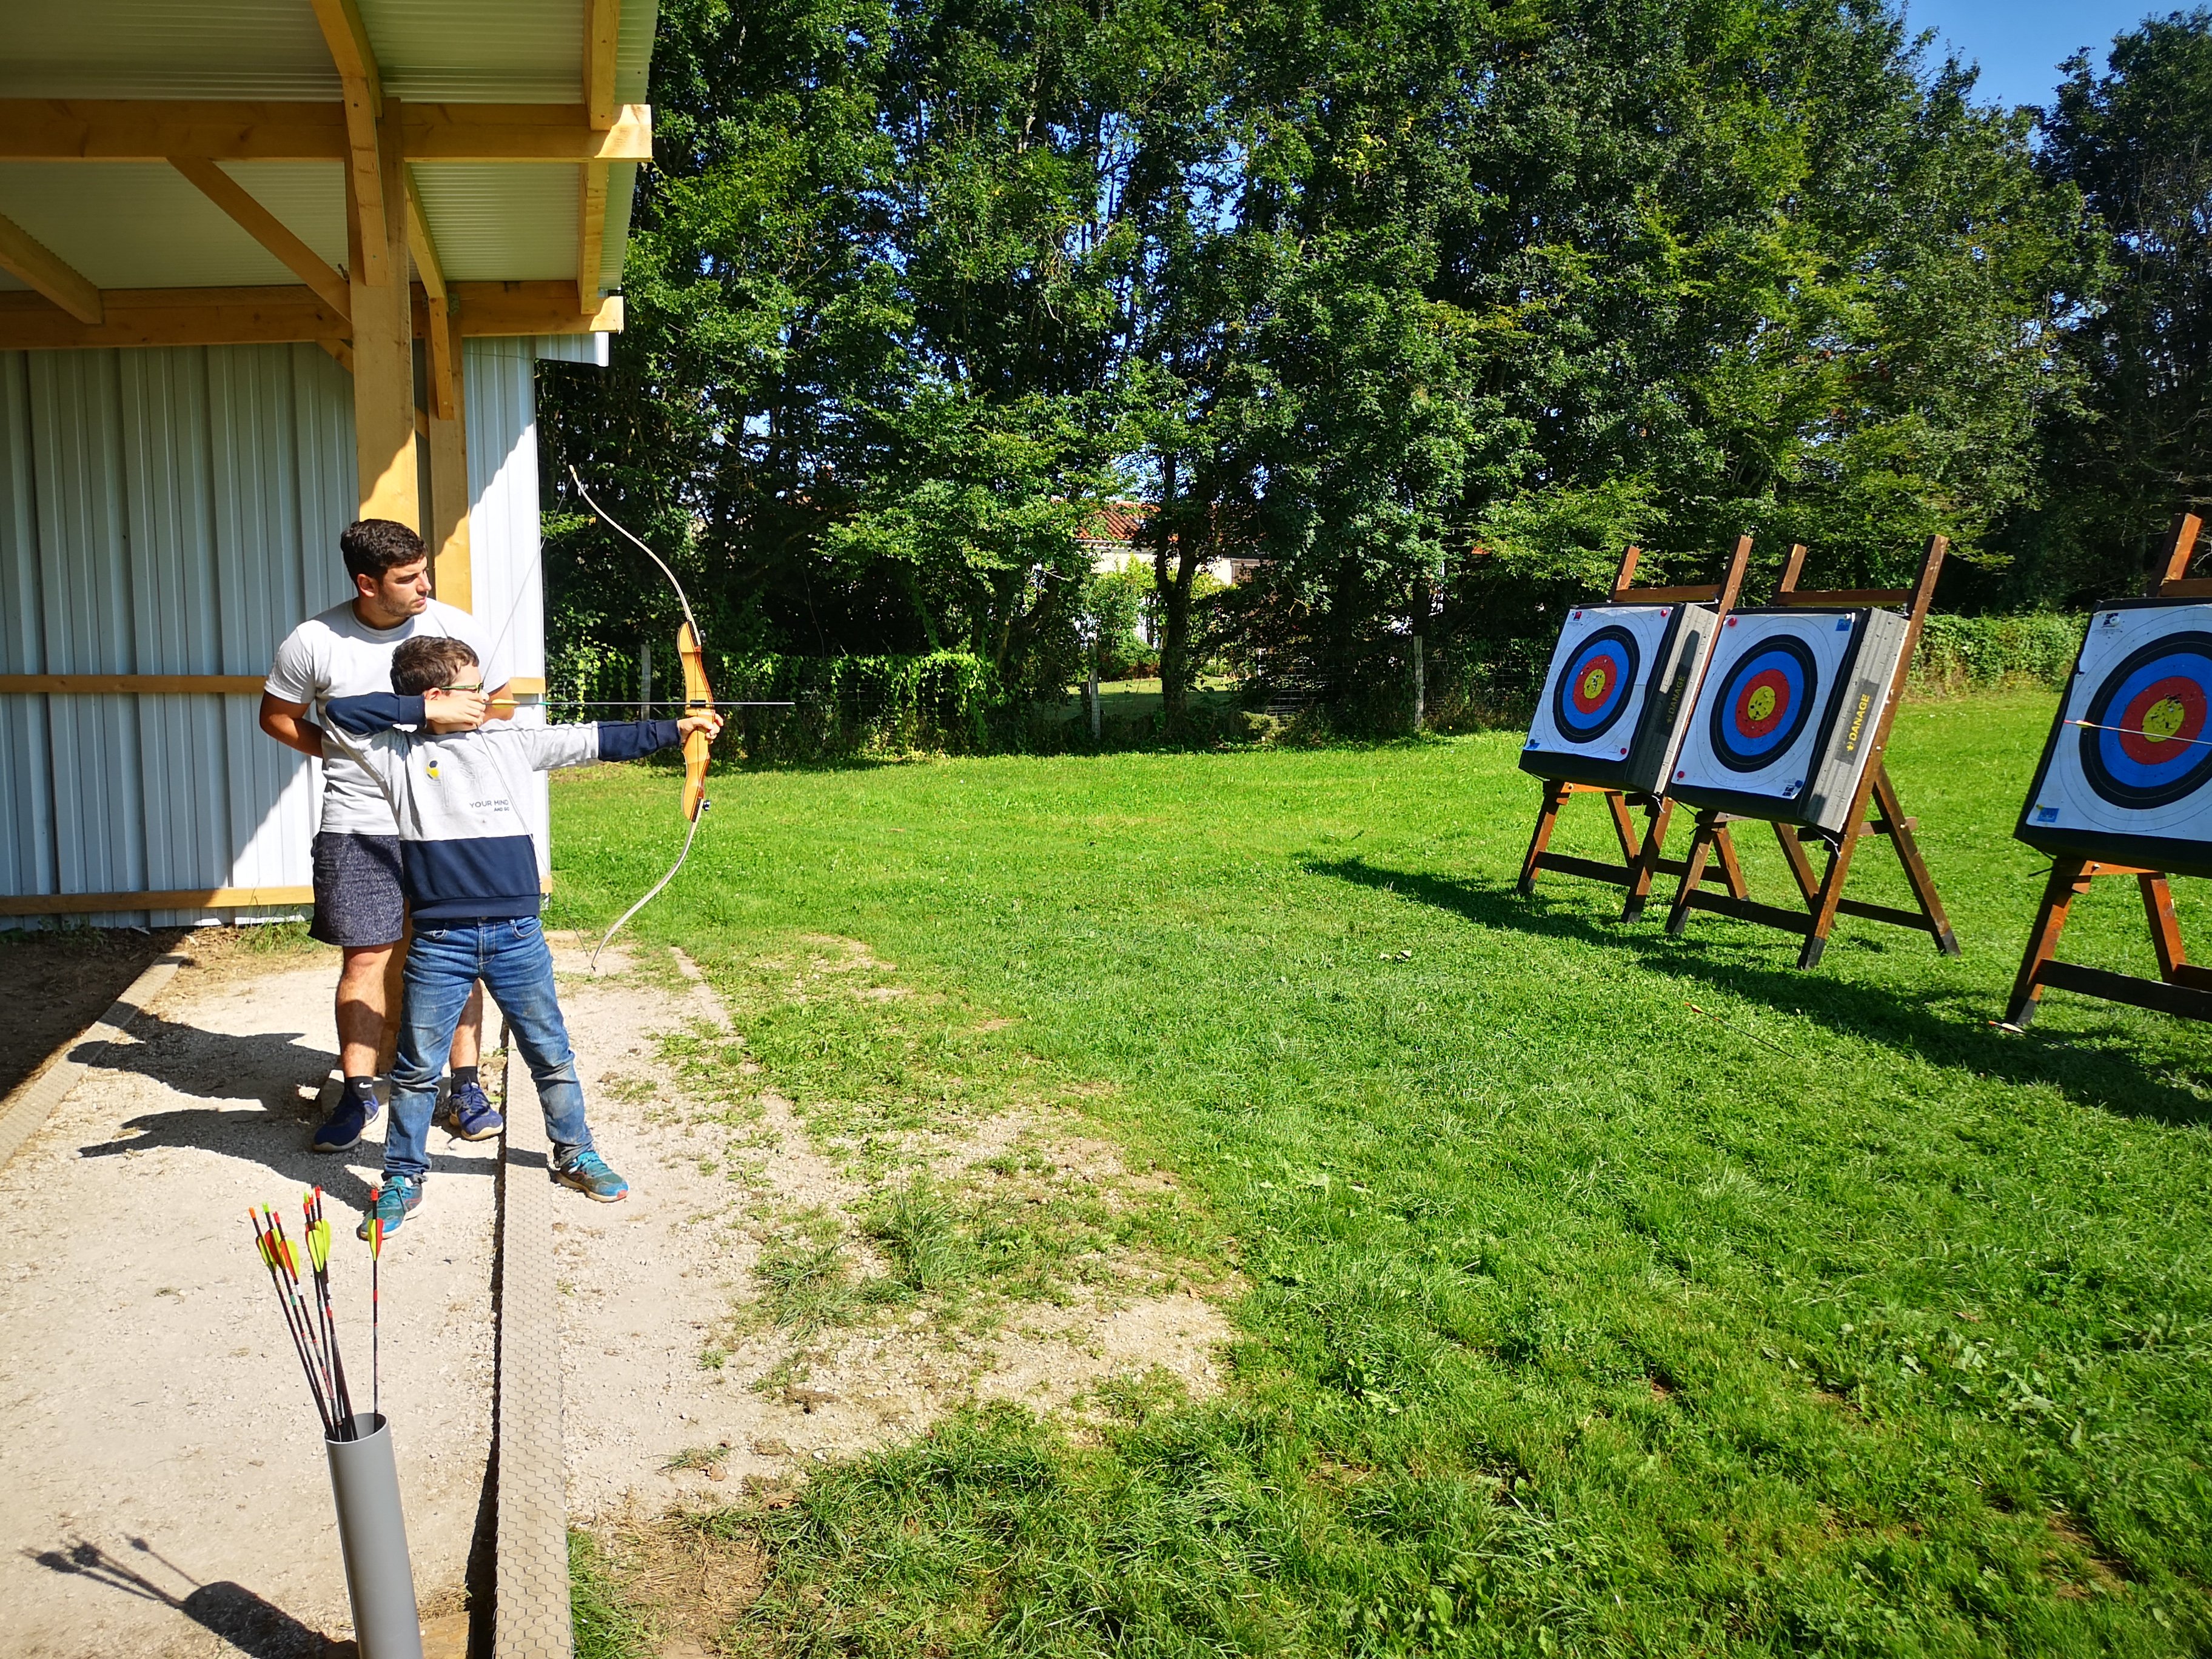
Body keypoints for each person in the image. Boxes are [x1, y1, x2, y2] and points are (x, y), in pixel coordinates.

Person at [321, 634, 724, 1239]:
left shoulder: (507, 744)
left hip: (517, 934)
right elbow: (337, 713)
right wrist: (424, 715)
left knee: (550, 1053)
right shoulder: (392, 754)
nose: (484, 698)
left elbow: (597, 740)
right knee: (414, 1069)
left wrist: (679, 729)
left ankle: (575, 1153)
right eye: (471, 689)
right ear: (435, 697)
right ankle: (403, 1176)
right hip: (440, 939)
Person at [260, 520, 511, 1155]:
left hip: (445, 825)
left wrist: (453, 733)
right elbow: (277, 718)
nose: (424, 586)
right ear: (366, 583)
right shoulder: (314, 640)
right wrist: (349, 758)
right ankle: (358, 1092)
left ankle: (465, 1087)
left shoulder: (454, 629)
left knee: (462, 954)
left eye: (424, 571)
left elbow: (500, 703)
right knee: (364, 960)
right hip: (356, 826)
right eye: (407, 579)